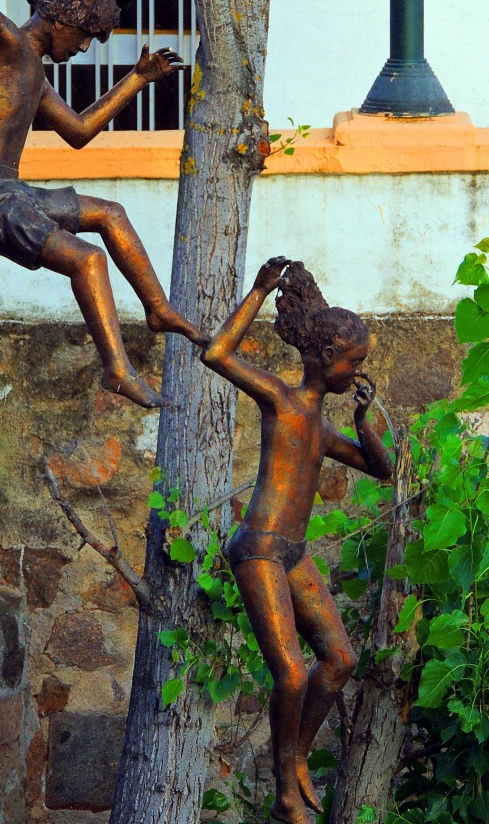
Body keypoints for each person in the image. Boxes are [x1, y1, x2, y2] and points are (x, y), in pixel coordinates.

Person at [0, 0, 206, 408]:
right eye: (86, 37)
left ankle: (158, 308)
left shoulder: (36, 77)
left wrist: (138, 79)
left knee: (109, 215)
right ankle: (116, 368)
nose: (85, 49)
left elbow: (80, 131)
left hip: (9, 192)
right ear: (63, 20)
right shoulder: (3, 46)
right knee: (87, 260)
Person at [200, 257, 393, 823]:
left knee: (338, 659)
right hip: (258, 548)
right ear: (324, 359)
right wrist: (259, 291)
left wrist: (365, 426)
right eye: (353, 363)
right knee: (289, 672)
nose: (357, 374)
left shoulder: (323, 427)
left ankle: (297, 759)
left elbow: (380, 470)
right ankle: (288, 782)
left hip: (293, 554)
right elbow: (217, 354)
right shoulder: (282, 402)